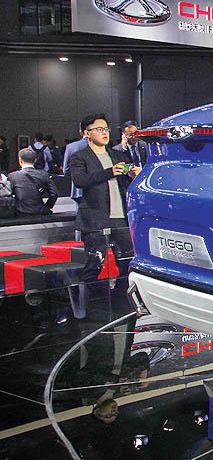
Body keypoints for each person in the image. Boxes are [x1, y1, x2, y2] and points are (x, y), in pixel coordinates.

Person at [69, 114, 142, 313]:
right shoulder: (79, 157)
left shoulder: (118, 155)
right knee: (94, 263)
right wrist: (110, 172)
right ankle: (89, 309)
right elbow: (80, 181)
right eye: (99, 129)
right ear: (86, 133)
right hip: (95, 219)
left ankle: (121, 305)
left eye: (106, 129)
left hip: (121, 217)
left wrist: (134, 176)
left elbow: (126, 183)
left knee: (127, 262)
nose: (104, 133)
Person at [7, 147, 58, 215]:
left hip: (20, 212)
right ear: (35, 160)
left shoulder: (12, 176)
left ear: (20, 160)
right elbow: (54, 194)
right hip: (40, 211)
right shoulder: (44, 174)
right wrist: (47, 206)